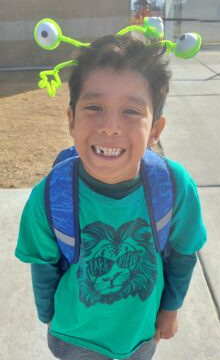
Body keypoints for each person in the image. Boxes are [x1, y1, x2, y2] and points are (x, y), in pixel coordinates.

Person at [15, 33, 207, 360]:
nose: (110, 126)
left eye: (131, 111)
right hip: (74, 336)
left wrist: (171, 309)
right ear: (72, 120)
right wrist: (48, 314)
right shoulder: (50, 196)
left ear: (156, 130)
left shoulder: (174, 187)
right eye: (94, 107)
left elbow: (183, 254)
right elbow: (44, 265)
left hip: (140, 335)